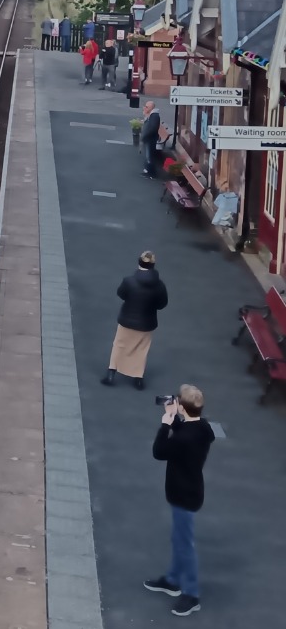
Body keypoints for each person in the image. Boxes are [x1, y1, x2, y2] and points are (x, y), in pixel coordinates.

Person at [144, 385, 215, 617]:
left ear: (183, 407)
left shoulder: (183, 439)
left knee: (185, 545)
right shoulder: (203, 428)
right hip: (192, 491)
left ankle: (192, 594)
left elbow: (159, 450)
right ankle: (173, 580)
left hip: (182, 495)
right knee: (178, 539)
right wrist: (176, 419)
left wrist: (166, 422)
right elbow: (187, 432)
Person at [101, 250, 168, 390]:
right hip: (146, 323)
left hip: (127, 320)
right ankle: (138, 378)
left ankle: (111, 373)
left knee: (119, 344)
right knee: (141, 349)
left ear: (139, 262)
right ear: (153, 266)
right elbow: (162, 304)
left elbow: (121, 293)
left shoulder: (129, 281)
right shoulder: (159, 285)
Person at [140, 100, 161, 177]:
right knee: (148, 156)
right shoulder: (151, 115)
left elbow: (152, 128)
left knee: (149, 156)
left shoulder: (154, 116)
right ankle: (147, 171)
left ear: (151, 108)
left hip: (150, 139)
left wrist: (145, 136)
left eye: (146, 107)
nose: (144, 108)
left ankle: (151, 173)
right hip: (149, 138)